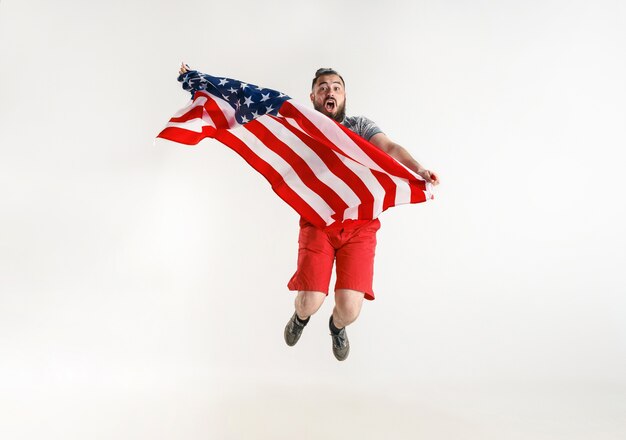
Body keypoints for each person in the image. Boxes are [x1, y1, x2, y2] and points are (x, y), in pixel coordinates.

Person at [283, 68, 439, 361]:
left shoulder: (359, 126)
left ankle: (336, 327)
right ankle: (300, 317)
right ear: (313, 96)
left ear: (343, 95)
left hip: (360, 225)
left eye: (336, 87)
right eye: (323, 88)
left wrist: (417, 168)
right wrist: (202, 82)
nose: (330, 92)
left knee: (349, 309)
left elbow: (390, 147)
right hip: (320, 221)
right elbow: (255, 111)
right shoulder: (304, 124)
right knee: (310, 301)